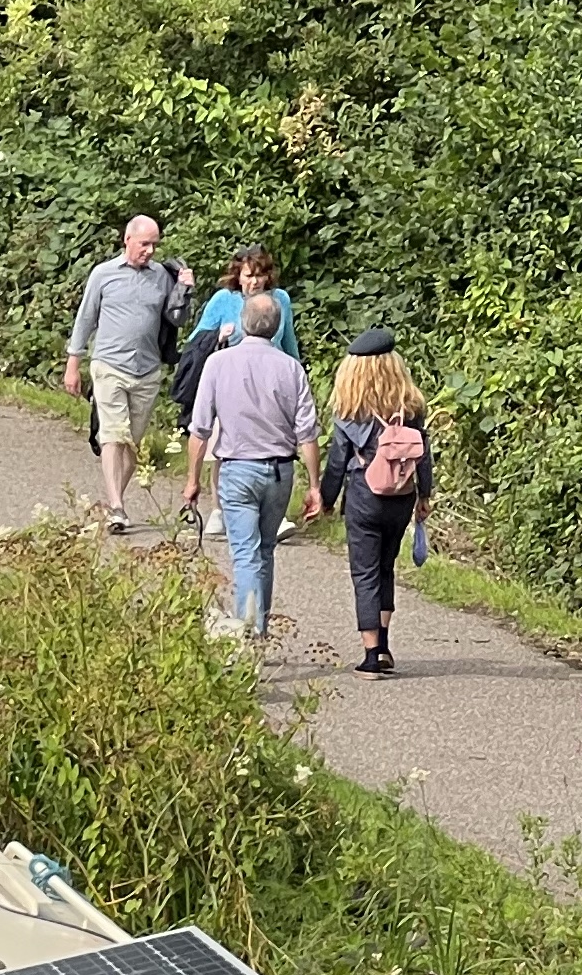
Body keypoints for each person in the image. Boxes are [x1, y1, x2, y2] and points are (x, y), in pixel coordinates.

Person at [183, 295, 320, 638]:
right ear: (277, 327)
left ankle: (250, 633)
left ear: (244, 323)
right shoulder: (291, 368)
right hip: (280, 471)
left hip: (238, 470)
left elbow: (200, 429)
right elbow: (307, 433)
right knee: (265, 550)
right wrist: (315, 485)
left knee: (245, 553)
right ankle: (260, 628)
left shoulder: (218, 363)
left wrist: (192, 479)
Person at [62, 214, 192, 535]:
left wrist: (184, 290)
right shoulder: (103, 274)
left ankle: (113, 503)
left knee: (132, 445)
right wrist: (73, 364)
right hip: (109, 366)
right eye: (144, 244)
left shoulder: (162, 276)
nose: (150, 250)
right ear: (128, 240)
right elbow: (85, 318)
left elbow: (178, 319)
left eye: (154, 245)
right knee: (112, 435)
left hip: (147, 370)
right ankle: (118, 507)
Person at [317, 330, 433, 674]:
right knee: (385, 568)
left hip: (364, 495)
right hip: (401, 496)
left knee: (364, 572)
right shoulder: (411, 407)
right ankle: (384, 645)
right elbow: (424, 455)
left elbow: (337, 462)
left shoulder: (350, 410)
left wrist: (326, 500)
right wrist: (424, 495)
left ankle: (371, 654)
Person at [172, 246, 300, 528]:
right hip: (231, 382)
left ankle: (274, 514)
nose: (255, 282)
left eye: (260, 276)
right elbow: (196, 341)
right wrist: (220, 334)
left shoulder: (280, 300)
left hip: (270, 383)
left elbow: (288, 341)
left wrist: (297, 377)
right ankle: (220, 510)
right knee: (226, 445)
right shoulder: (223, 300)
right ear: (238, 276)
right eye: (249, 276)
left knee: (274, 443)